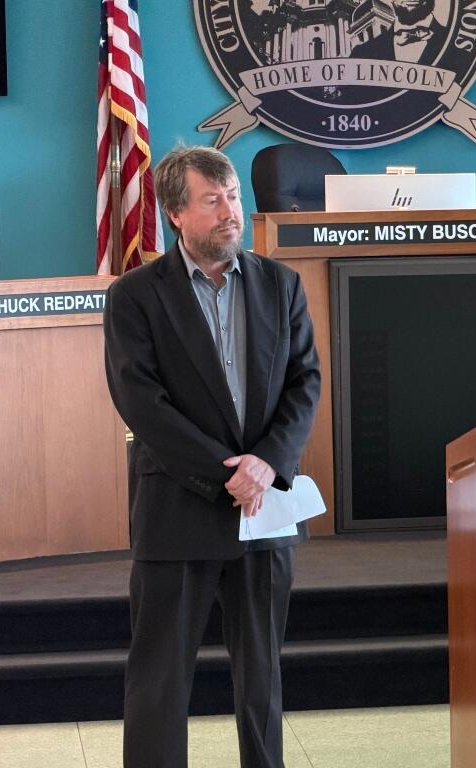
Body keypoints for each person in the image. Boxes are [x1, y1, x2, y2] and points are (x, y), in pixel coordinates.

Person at [104, 145, 321, 768]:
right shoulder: (136, 296)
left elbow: (304, 382)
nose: (231, 212)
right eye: (213, 200)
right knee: (159, 684)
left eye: (234, 198)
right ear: (176, 213)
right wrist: (228, 475)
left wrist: (266, 466)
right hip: (177, 510)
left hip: (266, 513)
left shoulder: (282, 285)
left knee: (262, 683)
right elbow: (142, 403)